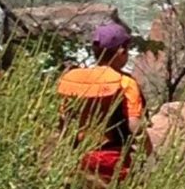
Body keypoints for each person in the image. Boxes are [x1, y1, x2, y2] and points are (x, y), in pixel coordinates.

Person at [54, 18, 147, 180]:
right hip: (113, 158)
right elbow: (135, 126)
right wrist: (149, 152)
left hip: (81, 155)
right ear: (121, 51)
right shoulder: (126, 82)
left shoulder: (74, 79)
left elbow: (64, 120)